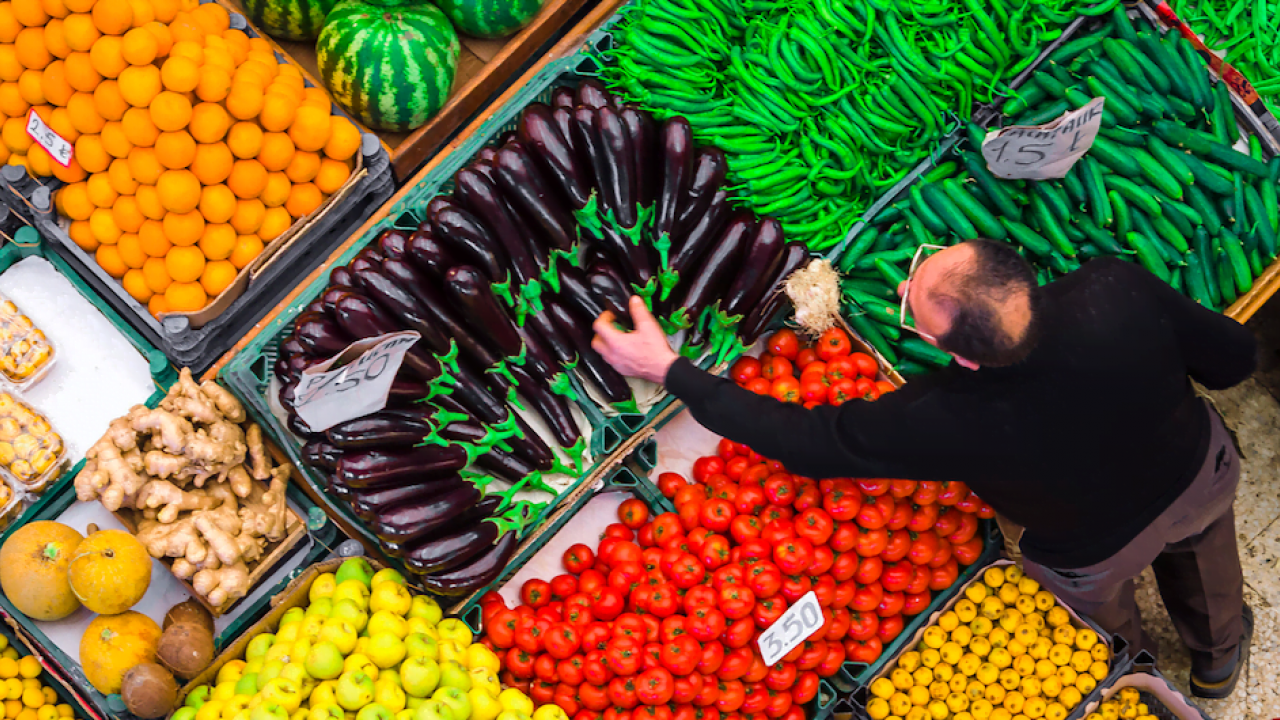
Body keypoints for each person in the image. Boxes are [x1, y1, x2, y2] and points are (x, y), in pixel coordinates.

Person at [591, 239, 1257, 699]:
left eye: (917, 294)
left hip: (1092, 551)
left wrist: (670, 370)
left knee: (1101, 618)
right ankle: (1218, 658)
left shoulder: (942, 414)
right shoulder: (1113, 287)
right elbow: (1233, 361)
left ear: (962, 357)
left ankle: (1130, 666)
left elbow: (803, 440)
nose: (904, 285)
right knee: (1205, 554)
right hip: (1196, 471)